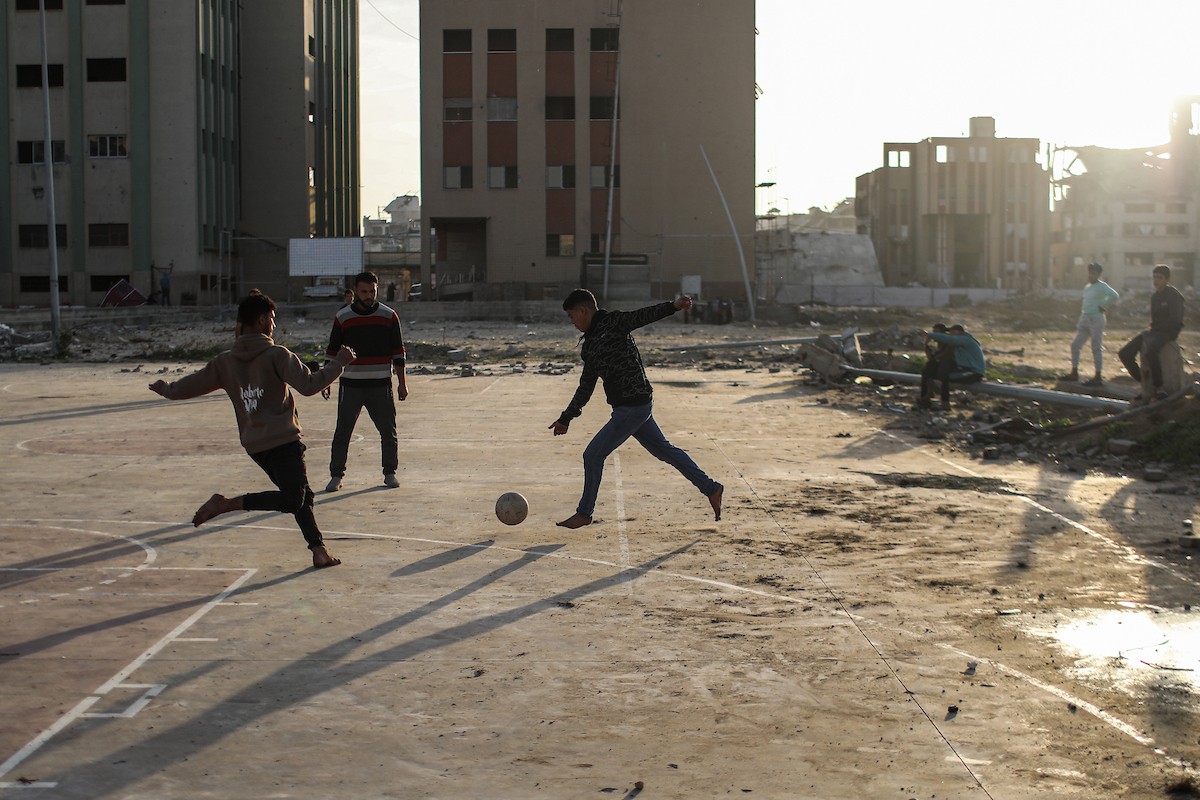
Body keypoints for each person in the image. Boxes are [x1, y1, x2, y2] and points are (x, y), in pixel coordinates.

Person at [148, 291, 355, 569]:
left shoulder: (225, 362)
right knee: (295, 498)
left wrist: (168, 390)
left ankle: (318, 551)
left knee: (302, 495)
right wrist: (340, 362)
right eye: (272, 319)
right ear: (260, 321)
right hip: (283, 440)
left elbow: (193, 384)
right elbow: (309, 386)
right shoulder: (277, 354)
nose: (274, 325)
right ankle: (226, 504)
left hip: (255, 445)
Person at [549, 289, 723, 529]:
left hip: (632, 407)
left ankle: (584, 513)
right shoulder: (589, 346)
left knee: (593, 455)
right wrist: (566, 418)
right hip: (634, 408)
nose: (572, 322)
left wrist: (672, 306)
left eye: (571, 316)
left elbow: (643, 315)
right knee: (665, 451)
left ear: (583, 310)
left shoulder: (615, 322)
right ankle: (711, 488)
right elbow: (585, 387)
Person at [323, 270, 408, 491]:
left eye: (372, 291)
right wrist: (325, 381)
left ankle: (390, 473)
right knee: (343, 431)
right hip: (351, 385)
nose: (369, 295)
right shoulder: (343, 318)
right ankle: (336, 475)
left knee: (388, 431)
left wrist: (402, 383)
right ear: (356, 292)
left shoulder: (389, 316)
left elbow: (398, 353)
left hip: (380, 385)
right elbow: (331, 352)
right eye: (364, 291)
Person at [1118, 264, 1185, 401]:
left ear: (1167, 279)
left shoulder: (1174, 296)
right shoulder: (1155, 297)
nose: (1156, 281)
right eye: (1154, 277)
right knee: (1125, 353)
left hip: (1168, 332)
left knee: (1152, 351)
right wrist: (1150, 332)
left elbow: (1176, 320)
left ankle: (1159, 388)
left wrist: (1159, 332)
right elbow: (1154, 321)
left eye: (1159, 278)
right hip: (1154, 331)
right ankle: (1144, 383)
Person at [1061, 262, 1119, 386]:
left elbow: (1114, 295)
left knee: (1096, 348)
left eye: (1094, 273)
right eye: (1090, 272)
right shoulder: (1087, 287)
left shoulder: (1102, 286)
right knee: (1075, 345)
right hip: (1085, 318)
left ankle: (1098, 376)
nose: (1091, 275)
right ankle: (1074, 372)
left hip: (1096, 319)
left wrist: (1104, 306)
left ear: (1098, 275)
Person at [919, 323, 986, 410]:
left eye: (951, 332)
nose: (950, 334)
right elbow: (936, 357)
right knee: (931, 369)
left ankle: (942, 401)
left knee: (945, 374)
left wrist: (930, 335)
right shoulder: (958, 345)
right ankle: (929, 397)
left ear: (957, 332)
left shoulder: (966, 339)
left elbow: (951, 340)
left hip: (974, 372)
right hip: (964, 370)